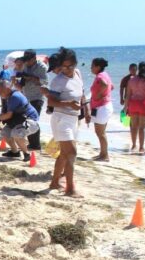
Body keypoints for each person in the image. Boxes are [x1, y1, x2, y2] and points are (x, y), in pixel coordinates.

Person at [43, 47, 86, 198]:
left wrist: (84, 111)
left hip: (73, 118)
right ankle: (70, 189)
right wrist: (69, 104)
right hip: (61, 118)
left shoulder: (78, 74)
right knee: (72, 153)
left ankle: (54, 182)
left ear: (75, 64)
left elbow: (81, 94)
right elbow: (51, 102)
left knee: (64, 154)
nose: (66, 69)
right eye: (64, 66)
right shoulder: (58, 81)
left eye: (70, 66)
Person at [0, 80, 40, 162]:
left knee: (16, 133)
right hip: (19, 121)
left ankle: (26, 154)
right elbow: (2, 115)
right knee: (5, 132)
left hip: (31, 121)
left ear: (7, 89)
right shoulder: (6, 98)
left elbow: (8, 115)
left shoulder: (15, 96)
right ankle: (15, 152)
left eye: (1, 91)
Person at [17, 50, 49, 151]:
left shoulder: (42, 67)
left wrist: (30, 77)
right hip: (26, 97)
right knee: (27, 120)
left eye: (28, 60)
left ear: (34, 59)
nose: (26, 62)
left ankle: (36, 145)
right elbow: (21, 84)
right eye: (25, 60)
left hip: (37, 96)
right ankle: (32, 143)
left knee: (33, 121)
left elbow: (44, 81)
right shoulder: (25, 66)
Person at [124, 61, 145, 152]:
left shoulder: (131, 80)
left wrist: (125, 107)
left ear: (138, 69)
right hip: (143, 103)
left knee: (133, 127)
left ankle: (133, 145)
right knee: (142, 128)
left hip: (133, 104)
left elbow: (128, 95)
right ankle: (141, 147)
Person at [89, 58, 114, 161]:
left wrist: (98, 96)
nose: (91, 68)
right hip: (105, 106)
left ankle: (105, 155)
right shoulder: (105, 74)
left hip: (102, 107)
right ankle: (102, 153)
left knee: (100, 133)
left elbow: (105, 85)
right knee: (101, 132)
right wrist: (104, 95)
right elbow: (112, 87)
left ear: (98, 67)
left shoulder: (100, 76)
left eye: (92, 66)